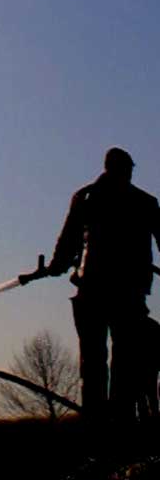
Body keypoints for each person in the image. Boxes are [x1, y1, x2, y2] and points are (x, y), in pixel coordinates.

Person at [45, 148, 160, 421]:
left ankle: (101, 419)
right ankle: (113, 418)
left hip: (98, 292)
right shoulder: (142, 202)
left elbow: (68, 241)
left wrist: (57, 265)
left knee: (101, 359)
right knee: (118, 358)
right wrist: (58, 264)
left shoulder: (87, 197)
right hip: (121, 293)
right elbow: (70, 239)